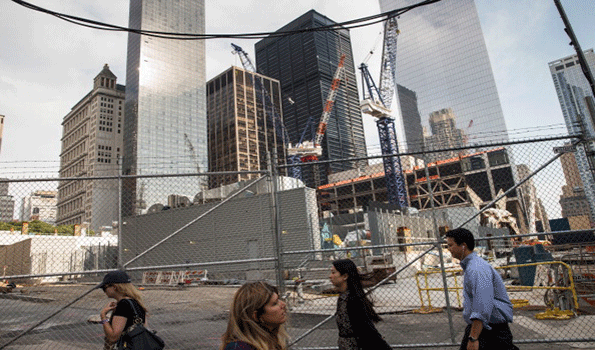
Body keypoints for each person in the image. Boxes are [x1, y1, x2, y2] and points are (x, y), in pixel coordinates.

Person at [445, 228, 519, 350]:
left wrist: (473, 337)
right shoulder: (472, 266)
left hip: (489, 331)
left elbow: (482, 305)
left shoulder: (476, 268)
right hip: (486, 328)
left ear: (463, 245)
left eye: (450, 245)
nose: (449, 249)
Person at [329, 259, 391, 350]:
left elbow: (367, 330)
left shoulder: (353, 301)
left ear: (345, 276)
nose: (330, 276)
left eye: (333, 273)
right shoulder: (343, 297)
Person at [220, 281, 289, 350]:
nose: (283, 304)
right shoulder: (239, 347)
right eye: (275, 303)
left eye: (279, 299)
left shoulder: (270, 340)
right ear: (256, 316)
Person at [97, 270, 147, 349]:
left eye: (104, 288)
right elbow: (143, 326)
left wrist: (103, 316)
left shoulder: (123, 305)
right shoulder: (136, 302)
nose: (104, 292)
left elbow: (113, 337)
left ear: (114, 287)